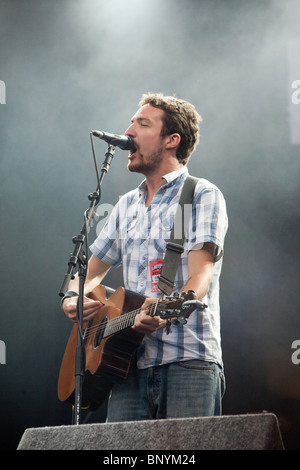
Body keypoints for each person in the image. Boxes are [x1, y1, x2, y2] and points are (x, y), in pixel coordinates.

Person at [62, 92, 228, 421]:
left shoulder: (197, 195)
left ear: (171, 140)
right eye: (131, 122)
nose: (128, 131)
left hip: (187, 362)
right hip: (128, 367)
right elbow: (89, 271)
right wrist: (74, 296)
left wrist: (169, 309)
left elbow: (201, 275)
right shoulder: (126, 205)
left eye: (142, 123)